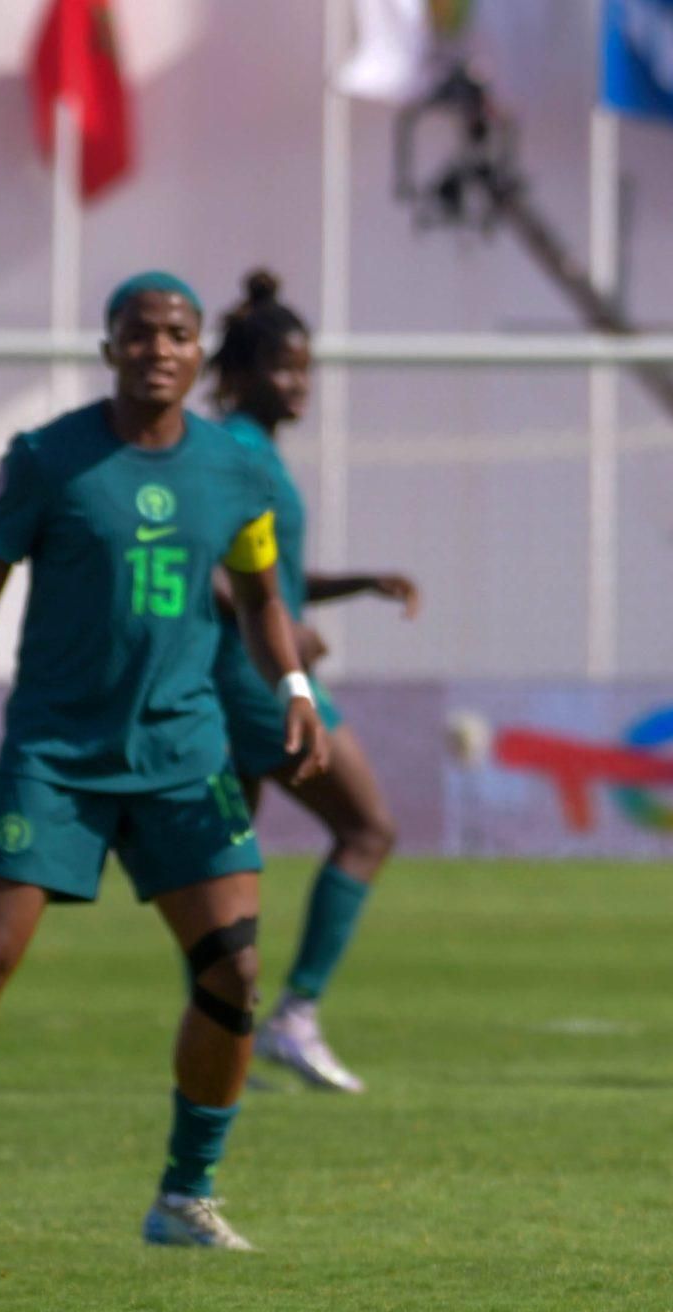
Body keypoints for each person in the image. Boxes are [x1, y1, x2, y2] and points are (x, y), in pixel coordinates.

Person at [0, 271, 328, 1247]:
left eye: (176, 334)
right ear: (109, 349)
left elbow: (263, 596)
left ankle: (185, 1193)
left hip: (184, 753)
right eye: (138, 333)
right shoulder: (45, 460)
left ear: (198, 353)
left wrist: (294, 690)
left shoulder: (237, 471)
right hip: (55, 755)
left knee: (233, 973)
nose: (157, 348)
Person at [205, 270, 419, 1094]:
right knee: (369, 829)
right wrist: (282, 631)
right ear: (244, 370)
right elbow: (207, 567)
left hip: (257, 670)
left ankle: (225, 1029)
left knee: (231, 860)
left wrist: (357, 582)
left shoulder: (253, 450)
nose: (299, 384)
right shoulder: (230, 450)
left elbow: (271, 572)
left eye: (305, 368)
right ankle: (294, 1017)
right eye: (284, 367)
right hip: (263, 680)